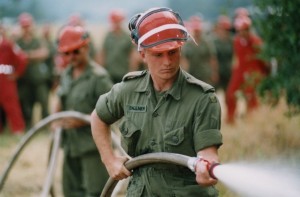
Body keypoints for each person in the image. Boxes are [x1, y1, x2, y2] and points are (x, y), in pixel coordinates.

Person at [91, 7, 223, 196]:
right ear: (142, 54)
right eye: (158, 54)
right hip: (141, 191)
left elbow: (208, 152)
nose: (167, 62)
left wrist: (206, 166)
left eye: (173, 52)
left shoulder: (202, 98)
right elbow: (98, 117)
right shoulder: (128, 90)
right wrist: (109, 159)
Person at [52, 25, 113, 196]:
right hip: (70, 144)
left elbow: (113, 112)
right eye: (66, 53)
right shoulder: (66, 74)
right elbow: (60, 97)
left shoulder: (99, 77)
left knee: (96, 192)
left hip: (92, 147)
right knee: (70, 191)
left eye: (76, 51)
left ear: (86, 47)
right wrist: (55, 116)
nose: (72, 57)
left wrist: (84, 120)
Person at [225, 14, 269, 124]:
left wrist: (264, 73)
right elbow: (236, 57)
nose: (241, 32)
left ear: (248, 29)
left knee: (251, 97)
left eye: (244, 30)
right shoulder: (237, 41)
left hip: (253, 72)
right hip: (240, 71)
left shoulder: (256, 41)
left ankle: (252, 121)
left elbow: (263, 59)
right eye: (239, 30)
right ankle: (230, 120)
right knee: (230, 94)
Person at [16, 12, 50, 129]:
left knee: (43, 103)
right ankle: (27, 127)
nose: (26, 29)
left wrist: (26, 55)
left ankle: (46, 127)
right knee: (25, 104)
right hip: (24, 79)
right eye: (24, 26)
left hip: (38, 78)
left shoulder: (38, 40)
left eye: (28, 26)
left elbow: (44, 53)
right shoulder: (18, 41)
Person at [0, 21, 27, 135]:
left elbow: (22, 58)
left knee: (12, 105)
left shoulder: (8, 44)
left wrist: (17, 74)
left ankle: (18, 129)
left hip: (6, 81)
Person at [97, 9, 133, 84]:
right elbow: (103, 54)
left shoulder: (127, 37)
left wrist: (131, 72)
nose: (117, 24)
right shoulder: (108, 36)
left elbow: (132, 56)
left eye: (118, 21)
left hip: (123, 73)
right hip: (110, 73)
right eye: (115, 21)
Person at [181, 15, 219, 86]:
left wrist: (214, 73)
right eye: (195, 30)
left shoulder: (207, 42)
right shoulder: (188, 44)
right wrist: (184, 74)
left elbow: (212, 59)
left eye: (198, 30)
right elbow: (185, 60)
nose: (197, 32)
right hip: (192, 75)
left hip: (205, 75)